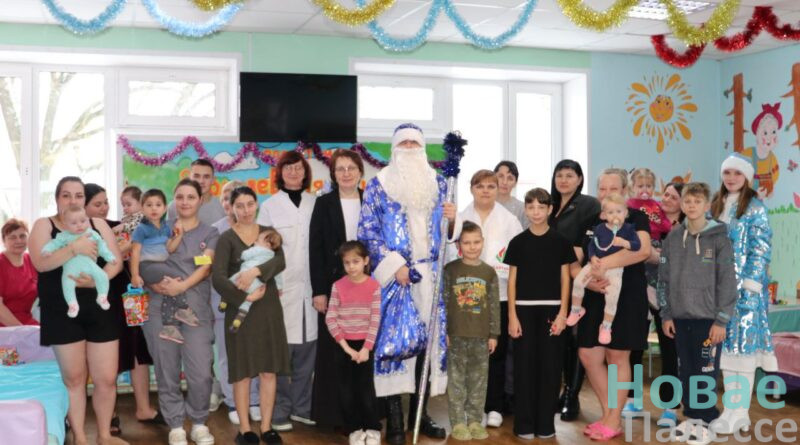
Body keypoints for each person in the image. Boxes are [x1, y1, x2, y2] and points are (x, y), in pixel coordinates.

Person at [358, 123, 454, 445]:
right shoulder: (378, 185)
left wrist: (452, 218)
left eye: (415, 143)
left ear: (423, 148)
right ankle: (396, 421)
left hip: (431, 277)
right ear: (395, 149)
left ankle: (419, 416)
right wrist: (395, 265)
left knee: (426, 347)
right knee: (397, 347)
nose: (410, 148)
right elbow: (368, 232)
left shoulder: (439, 184)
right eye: (404, 143)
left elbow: (447, 234)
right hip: (395, 279)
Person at [29, 176, 126, 445]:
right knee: (74, 379)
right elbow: (40, 263)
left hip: (100, 307)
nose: (73, 200)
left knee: (106, 378)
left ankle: (104, 435)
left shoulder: (97, 224)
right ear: (57, 199)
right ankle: (80, 437)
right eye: (66, 195)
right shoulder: (44, 225)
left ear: (84, 199)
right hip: (62, 311)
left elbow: (115, 261)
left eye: (79, 195)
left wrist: (98, 280)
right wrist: (74, 248)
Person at [139, 178, 218, 445]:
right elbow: (141, 261)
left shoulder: (210, 233)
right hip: (160, 309)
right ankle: (174, 424)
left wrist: (181, 286)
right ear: (174, 200)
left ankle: (198, 422)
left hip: (196, 311)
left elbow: (206, 266)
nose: (185, 202)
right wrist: (154, 284)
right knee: (166, 370)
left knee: (201, 372)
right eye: (180, 197)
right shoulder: (158, 229)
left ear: (200, 200)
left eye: (191, 197)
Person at [574, 168, 651, 441]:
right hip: (594, 295)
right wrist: (587, 280)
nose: (606, 194)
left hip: (626, 295)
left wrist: (602, 265)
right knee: (588, 354)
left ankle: (613, 419)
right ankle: (609, 414)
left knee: (617, 356)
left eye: (613, 189)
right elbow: (575, 259)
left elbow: (642, 251)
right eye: (602, 189)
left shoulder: (636, 217)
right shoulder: (591, 220)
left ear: (624, 192)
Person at [659, 182, 738, 445]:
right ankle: (692, 417)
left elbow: (728, 281)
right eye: (687, 201)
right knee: (687, 370)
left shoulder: (720, 239)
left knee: (705, 371)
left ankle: (706, 421)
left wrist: (722, 319)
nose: (691, 206)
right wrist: (666, 315)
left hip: (709, 320)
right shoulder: (672, 238)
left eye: (697, 201)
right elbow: (663, 280)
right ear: (682, 205)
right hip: (680, 319)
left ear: (706, 205)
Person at [212, 186, 289, 445]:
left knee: (269, 370)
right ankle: (245, 429)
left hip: (268, 309)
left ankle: (266, 427)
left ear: (257, 204)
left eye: (250, 204)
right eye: (240, 206)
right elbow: (218, 278)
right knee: (242, 372)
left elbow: (280, 262)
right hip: (240, 311)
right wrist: (243, 297)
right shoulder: (226, 239)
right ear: (231, 208)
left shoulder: (268, 233)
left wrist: (254, 271)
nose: (246, 210)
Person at [709, 154, 777, 435]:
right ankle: (730, 410)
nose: (731, 178)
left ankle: (741, 412)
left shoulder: (755, 208)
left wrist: (751, 284)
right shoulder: (716, 205)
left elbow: (760, 248)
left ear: (746, 177)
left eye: (737, 173)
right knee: (726, 350)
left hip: (745, 292)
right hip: (718, 290)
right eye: (727, 172)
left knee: (743, 350)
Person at [447, 169, 521, 428]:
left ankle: (495, 407)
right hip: (466, 297)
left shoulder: (510, 220)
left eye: (491, 186)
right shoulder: (460, 218)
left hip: (499, 294)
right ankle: (470, 409)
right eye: (480, 186)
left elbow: (517, 260)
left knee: (495, 353)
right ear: (471, 189)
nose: (486, 191)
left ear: (498, 189)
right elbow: (450, 255)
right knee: (469, 356)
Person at [86, 183, 161, 434]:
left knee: (138, 349)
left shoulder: (120, 224)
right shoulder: (81, 232)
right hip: (101, 299)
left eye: (106, 202)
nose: (104, 208)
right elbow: (104, 259)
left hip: (129, 295)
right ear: (83, 207)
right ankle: (110, 414)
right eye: (97, 204)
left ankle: (144, 408)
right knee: (109, 357)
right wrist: (124, 248)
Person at [505, 188, 574, 439]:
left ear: (550, 209)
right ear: (525, 209)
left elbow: (565, 279)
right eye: (531, 207)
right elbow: (512, 281)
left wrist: (562, 313)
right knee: (524, 368)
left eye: (541, 207)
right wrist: (512, 316)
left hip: (552, 310)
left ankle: (546, 424)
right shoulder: (518, 242)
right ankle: (524, 424)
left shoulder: (560, 242)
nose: (536, 212)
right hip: (523, 311)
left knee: (550, 368)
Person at [257, 151, 318, 431]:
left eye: (299, 168)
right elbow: (263, 250)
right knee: (281, 351)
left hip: (311, 288)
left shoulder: (315, 202)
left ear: (306, 173)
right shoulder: (270, 206)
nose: (294, 172)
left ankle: (302, 407)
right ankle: (280, 408)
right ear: (280, 173)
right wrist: (271, 283)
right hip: (281, 288)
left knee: (307, 350)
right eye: (288, 168)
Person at [309, 149, 365, 429]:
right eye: (340, 169)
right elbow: (315, 249)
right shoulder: (324, 204)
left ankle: (362, 414)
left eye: (351, 168)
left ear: (360, 172)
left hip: (366, 288)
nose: (346, 173)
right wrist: (319, 291)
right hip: (333, 289)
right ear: (333, 174)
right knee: (334, 353)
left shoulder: (370, 201)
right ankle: (335, 417)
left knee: (362, 350)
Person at [626, 180, 685, 425]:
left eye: (673, 197)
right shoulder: (646, 220)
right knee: (633, 348)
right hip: (641, 291)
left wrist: (656, 258)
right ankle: (632, 399)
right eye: (665, 195)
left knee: (671, 352)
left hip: (670, 298)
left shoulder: (686, 228)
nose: (666, 199)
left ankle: (670, 408)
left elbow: (680, 263)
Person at [547, 159, 600, 421]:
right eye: (560, 175)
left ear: (579, 179)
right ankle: (556, 393)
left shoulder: (588, 204)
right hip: (549, 283)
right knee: (557, 339)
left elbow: (585, 245)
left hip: (576, 281)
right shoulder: (549, 204)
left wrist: (571, 267)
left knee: (574, 340)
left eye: (570, 175)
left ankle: (571, 395)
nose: (564, 180)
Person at [208, 180, 262, 425]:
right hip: (223, 302)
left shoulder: (260, 231)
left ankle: (254, 401)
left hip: (255, 302)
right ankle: (232, 401)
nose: (234, 203)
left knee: (254, 353)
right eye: (228, 197)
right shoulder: (215, 231)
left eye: (240, 199)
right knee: (227, 354)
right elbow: (208, 265)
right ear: (224, 203)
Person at [444, 222, 499, 442]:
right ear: (459, 244)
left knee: (478, 381)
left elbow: (494, 305)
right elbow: (443, 303)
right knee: (456, 381)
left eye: (476, 242)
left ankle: (475, 420)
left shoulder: (489, 272)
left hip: (481, 336)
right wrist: (444, 331)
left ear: (483, 242)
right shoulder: (450, 270)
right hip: (456, 335)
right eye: (467, 243)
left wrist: (494, 334)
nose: (472, 247)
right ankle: (458, 422)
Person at [325, 241, 382, 445]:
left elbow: (375, 319)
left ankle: (372, 428)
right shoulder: (338, 286)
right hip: (344, 346)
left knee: (366, 390)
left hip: (365, 345)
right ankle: (354, 429)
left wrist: (366, 348)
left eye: (356, 261)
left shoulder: (374, 286)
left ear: (365, 261)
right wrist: (346, 347)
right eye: (347, 262)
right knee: (346, 391)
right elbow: (331, 318)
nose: (351, 266)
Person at [567, 193, 642, 344]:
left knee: (612, 296)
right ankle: (576, 309)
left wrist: (624, 243)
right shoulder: (600, 228)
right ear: (603, 215)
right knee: (578, 282)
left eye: (619, 211)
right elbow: (592, 245)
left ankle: (606, 326)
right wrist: (592, 257)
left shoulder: (628, 229)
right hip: (595, 264)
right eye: (610, 212)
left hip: (615, 269)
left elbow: (637, 245)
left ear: (626, 213)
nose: (615, 215)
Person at [131, 189, 199, 344]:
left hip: (160, 266)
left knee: (170, 288)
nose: (154, 208)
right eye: (149, 205)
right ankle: (182, 308)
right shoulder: (141, 229)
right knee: (177, 277)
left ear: (164, 208)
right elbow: (135, 252)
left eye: (158, 205)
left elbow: (169, 248)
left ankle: (169, 326)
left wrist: (179, 235)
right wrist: (135, 275)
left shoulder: (165, 227)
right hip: (146, 266)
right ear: (142, 208)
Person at [41, 206, 117, 317]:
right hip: (71, 269)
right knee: (67, 283)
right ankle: (72, 304)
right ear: (65, 224)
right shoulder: (64, 236)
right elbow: (53, 244)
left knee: (103, 276)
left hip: (90, 265)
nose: (79, 225)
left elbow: (102, 247)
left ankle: (102, 296)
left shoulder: (92, 233)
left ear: (87, 219)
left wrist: (110, 257)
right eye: (74, 223)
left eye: (83, 221)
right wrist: (47, 250)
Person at [225, 228, 282, 333]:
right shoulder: (273, 258)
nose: (255, 242)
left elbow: (244, 255)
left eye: (257, 240)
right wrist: (279, 288)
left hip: (243, 276)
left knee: (229, 283)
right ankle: (239, 318)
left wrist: (245, 253)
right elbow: (277, 274)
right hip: (257, 284)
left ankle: (224, 301)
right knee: (248, 302)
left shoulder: (258, 249)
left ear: (267, 244)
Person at [0, 218, 39, 326]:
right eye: (12, 237)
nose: (19, 241)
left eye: (22, 236)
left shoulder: (33, 260)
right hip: (5, 325)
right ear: (4, 241)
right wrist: (22, 330)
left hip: (26, 321)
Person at [167, 159, 226, 225]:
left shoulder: (224, 207)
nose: (201, 181)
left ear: (213, 180)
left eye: (206, 177)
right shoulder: (174, 206)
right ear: (189, 177)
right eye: (196, 176)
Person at [494, 161, 527, 228]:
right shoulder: (483, 204)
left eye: (510, 178)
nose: (504, 182)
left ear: (515, 183)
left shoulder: (522, 209)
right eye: (501, 176)